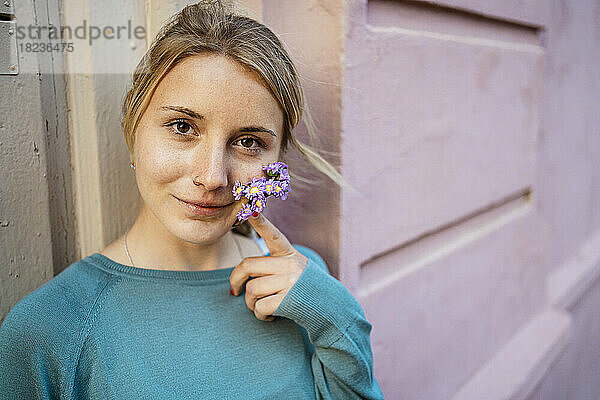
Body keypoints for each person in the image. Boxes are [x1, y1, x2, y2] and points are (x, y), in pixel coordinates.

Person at [0, 1, 385, 399]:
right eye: (182, 127)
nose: (213, 177)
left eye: (249, 142)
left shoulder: (303, 284)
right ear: (134, 129)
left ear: (277, 160)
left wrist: (336, 316)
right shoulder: (49, 329)